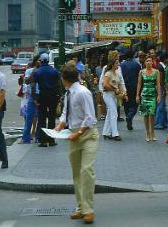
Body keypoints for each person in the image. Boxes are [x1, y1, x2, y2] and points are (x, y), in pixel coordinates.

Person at [55, 65, 99, 224]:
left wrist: (79, 133)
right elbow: (65, 113)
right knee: (76, 173)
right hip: (73, 134)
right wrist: (60, 124)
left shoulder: (82, 92)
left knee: (86, 171)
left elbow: (91, 117)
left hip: (87, 135)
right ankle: (81, 208)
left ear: (65, 79)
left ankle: (89, 210)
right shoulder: (69, 93)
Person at [33, 53, 61, 147]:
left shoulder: (38, 72)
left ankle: (43, 141)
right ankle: (51, 140)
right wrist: (59, 96)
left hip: (42, 95)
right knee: (52, 117)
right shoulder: (54, 71)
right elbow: (58, 84)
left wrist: (35, 98)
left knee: (42, 118)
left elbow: (34, 85)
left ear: (40, 60)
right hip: (53, 95)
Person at [136, 55, 161, 141]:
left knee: (152, 114)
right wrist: (137, 95)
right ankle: (147, 133)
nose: (148, 62)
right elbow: (139, 83)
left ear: (152, 62)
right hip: (144, 95)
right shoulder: (141, 72)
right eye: (147, 61)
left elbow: (158, 84)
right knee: (145, 115)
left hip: (153, 94)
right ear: (144, 62)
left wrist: (159, 95)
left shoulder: (156, 72)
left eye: (150, 61)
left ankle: (152, 132)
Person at [102, 59, 127, 141]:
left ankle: (106, 132)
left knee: (110, 113)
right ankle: (115, 134)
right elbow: (105, 85)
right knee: (114, 113)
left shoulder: (117, 74)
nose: (118, 64)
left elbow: (119, 85)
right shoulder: (108, 73)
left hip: (114, 96)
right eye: (116, 63)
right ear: (112, 65)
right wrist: (115, 90)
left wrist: (124, 94)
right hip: (108, 95)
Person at [20, 55, 40, 144]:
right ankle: (35, 137)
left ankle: (29, 137)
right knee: (35, 116)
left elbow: (28, 82)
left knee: (32, 116)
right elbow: (27, 82)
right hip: (34, 95)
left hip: (34, 96)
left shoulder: (34, 71)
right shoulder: (32, 70)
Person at [120, 49, 141, 130]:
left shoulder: (122, 65)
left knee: (126, 103)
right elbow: (140, 78)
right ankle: (130, 116)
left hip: (125, 87)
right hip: (135, 87)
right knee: (134, 104)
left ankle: (128, 117)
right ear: (133, 56)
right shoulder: (137, 65)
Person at [154, 51, 168, 130]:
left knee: (161, 106)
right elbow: (160, 80)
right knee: (160, 105)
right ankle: (159, 123)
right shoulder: (160, 67)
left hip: (158, 87)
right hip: (159, 87)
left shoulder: (160, 66)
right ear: (166, 58)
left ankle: (163, 123)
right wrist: (162, 89)